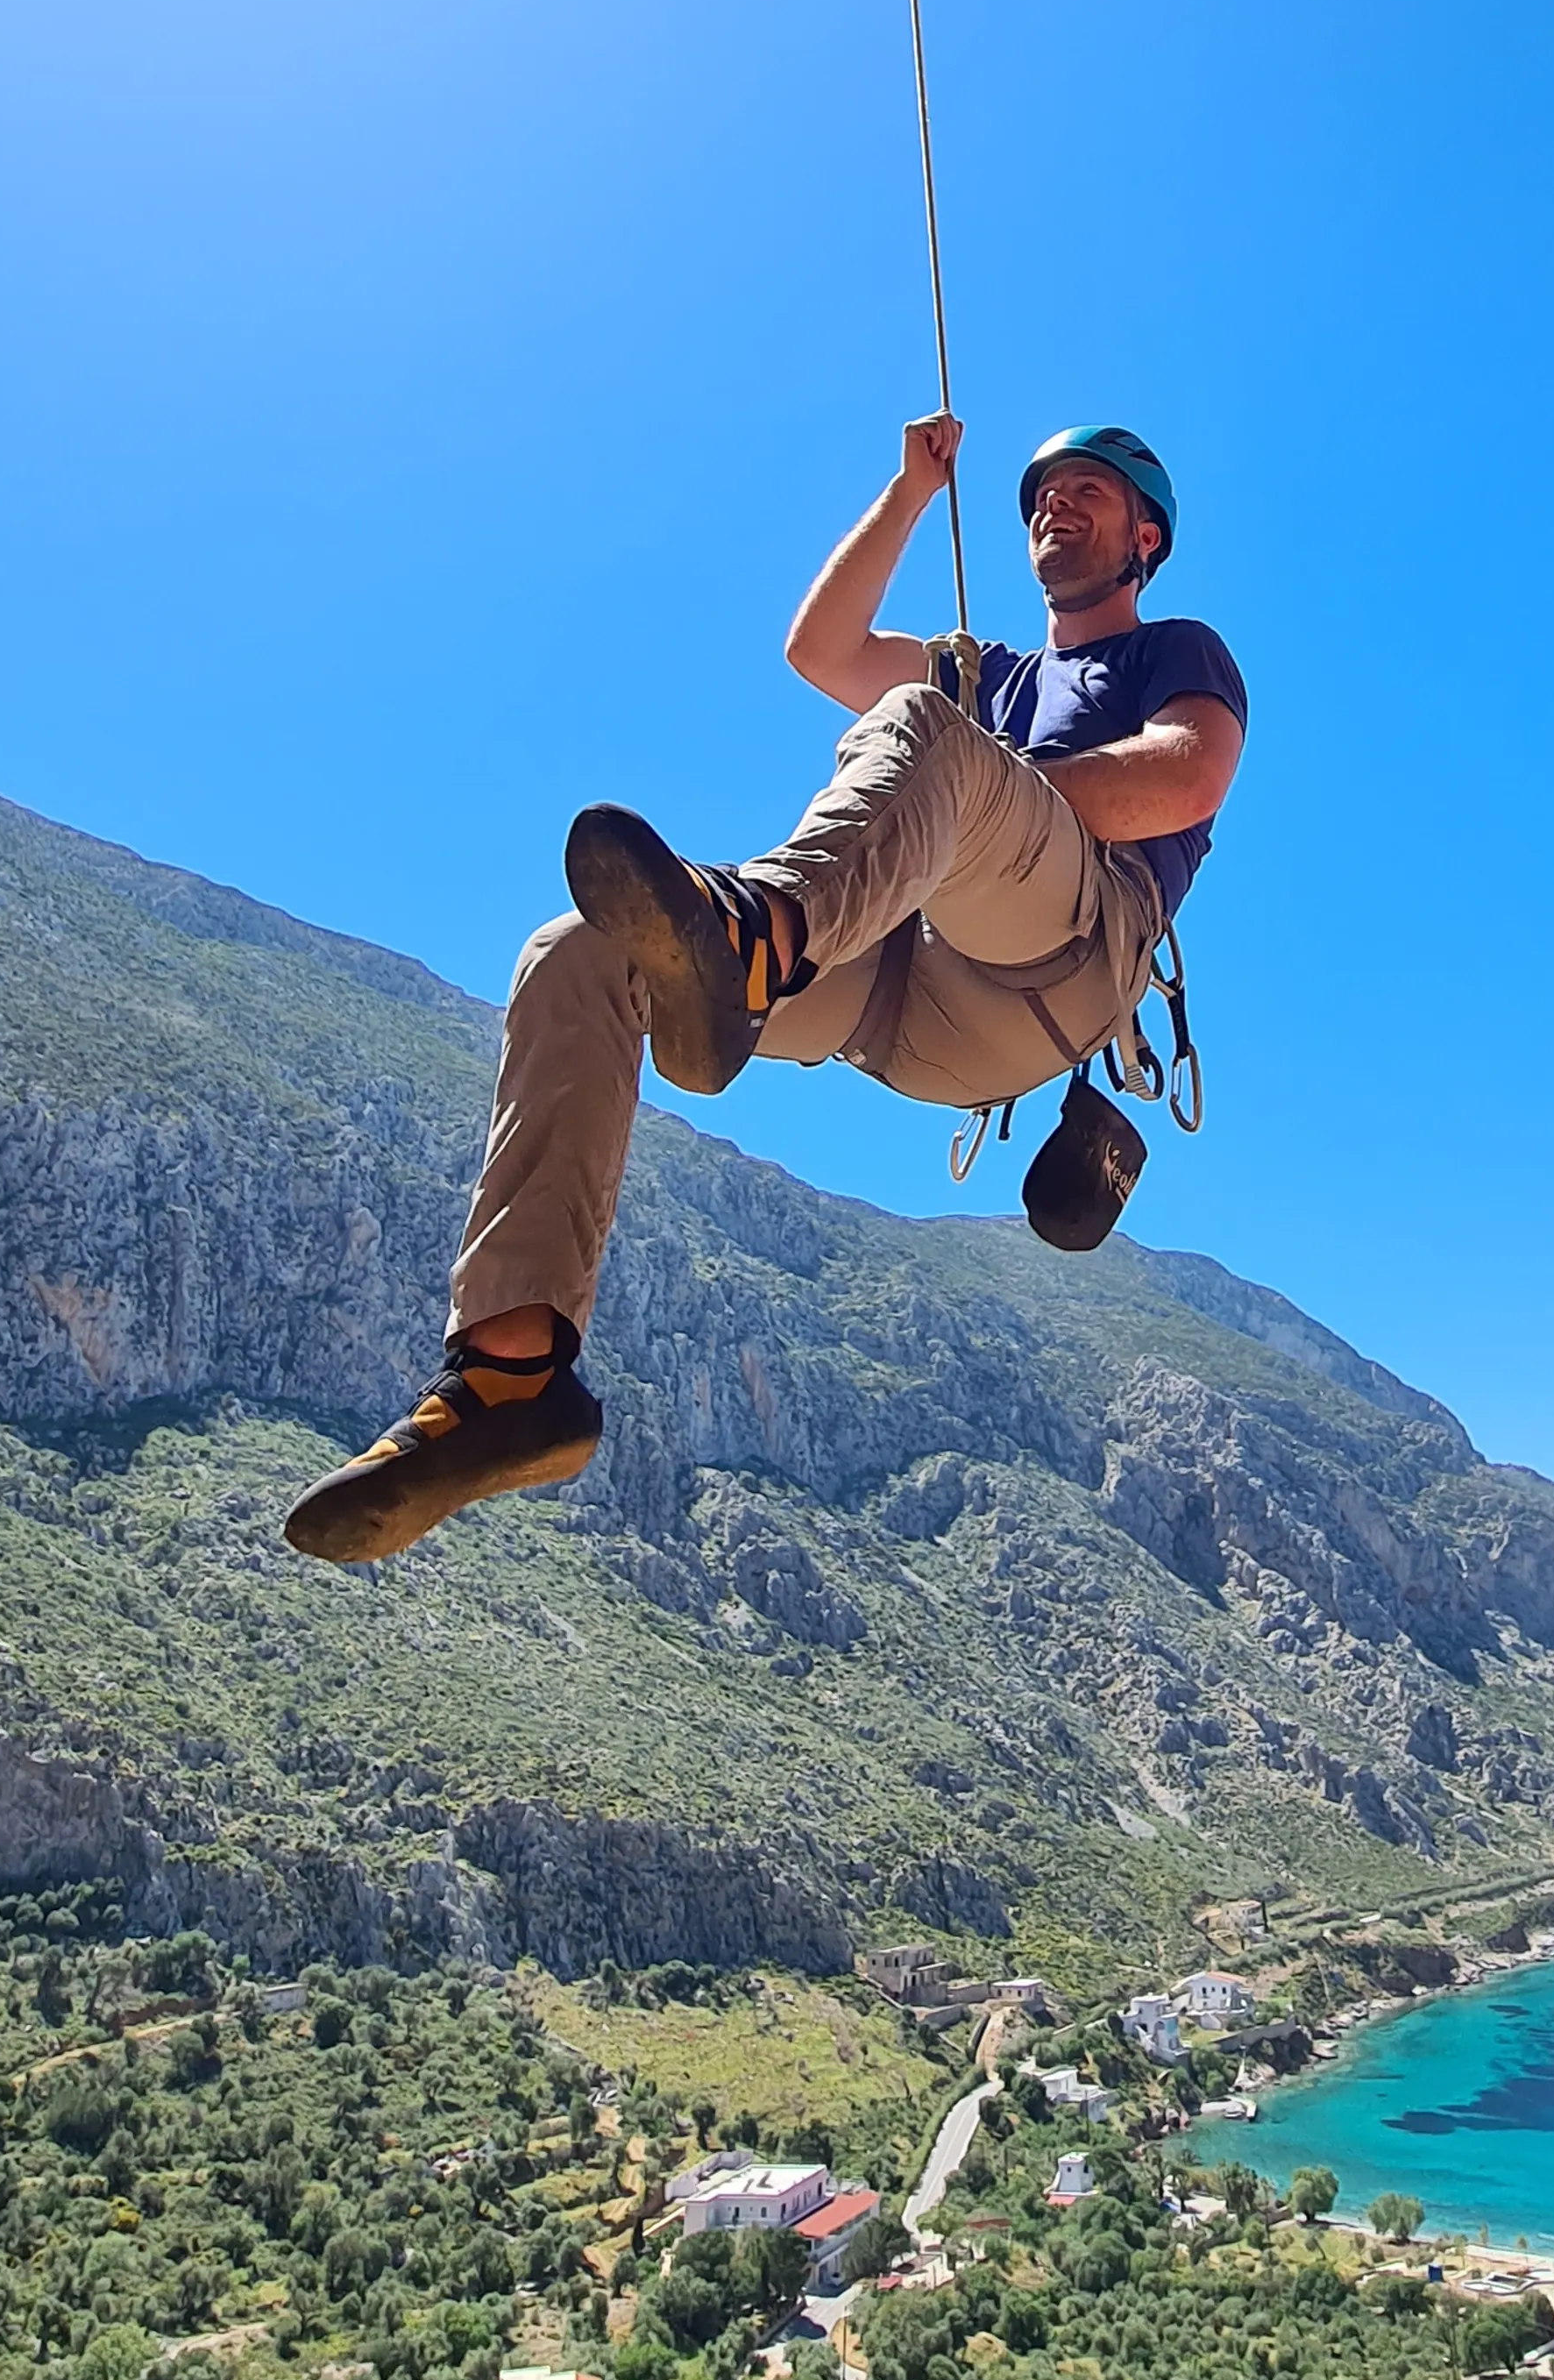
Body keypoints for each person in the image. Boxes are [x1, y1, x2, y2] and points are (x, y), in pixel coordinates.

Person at [284, 419, 1246, 1563]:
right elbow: (823, 650)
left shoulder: (1174, 652)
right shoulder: (990, 674)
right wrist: (906, 494)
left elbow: (1188, 773)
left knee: (924, 734)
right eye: (1041, 493)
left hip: (1067, 953)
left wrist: (992, 785)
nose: (1054, 506)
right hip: (909, 990)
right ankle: (510, 1379)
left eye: (1087, 492)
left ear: (1146, 535)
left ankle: (754, 939)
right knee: (580, 954)